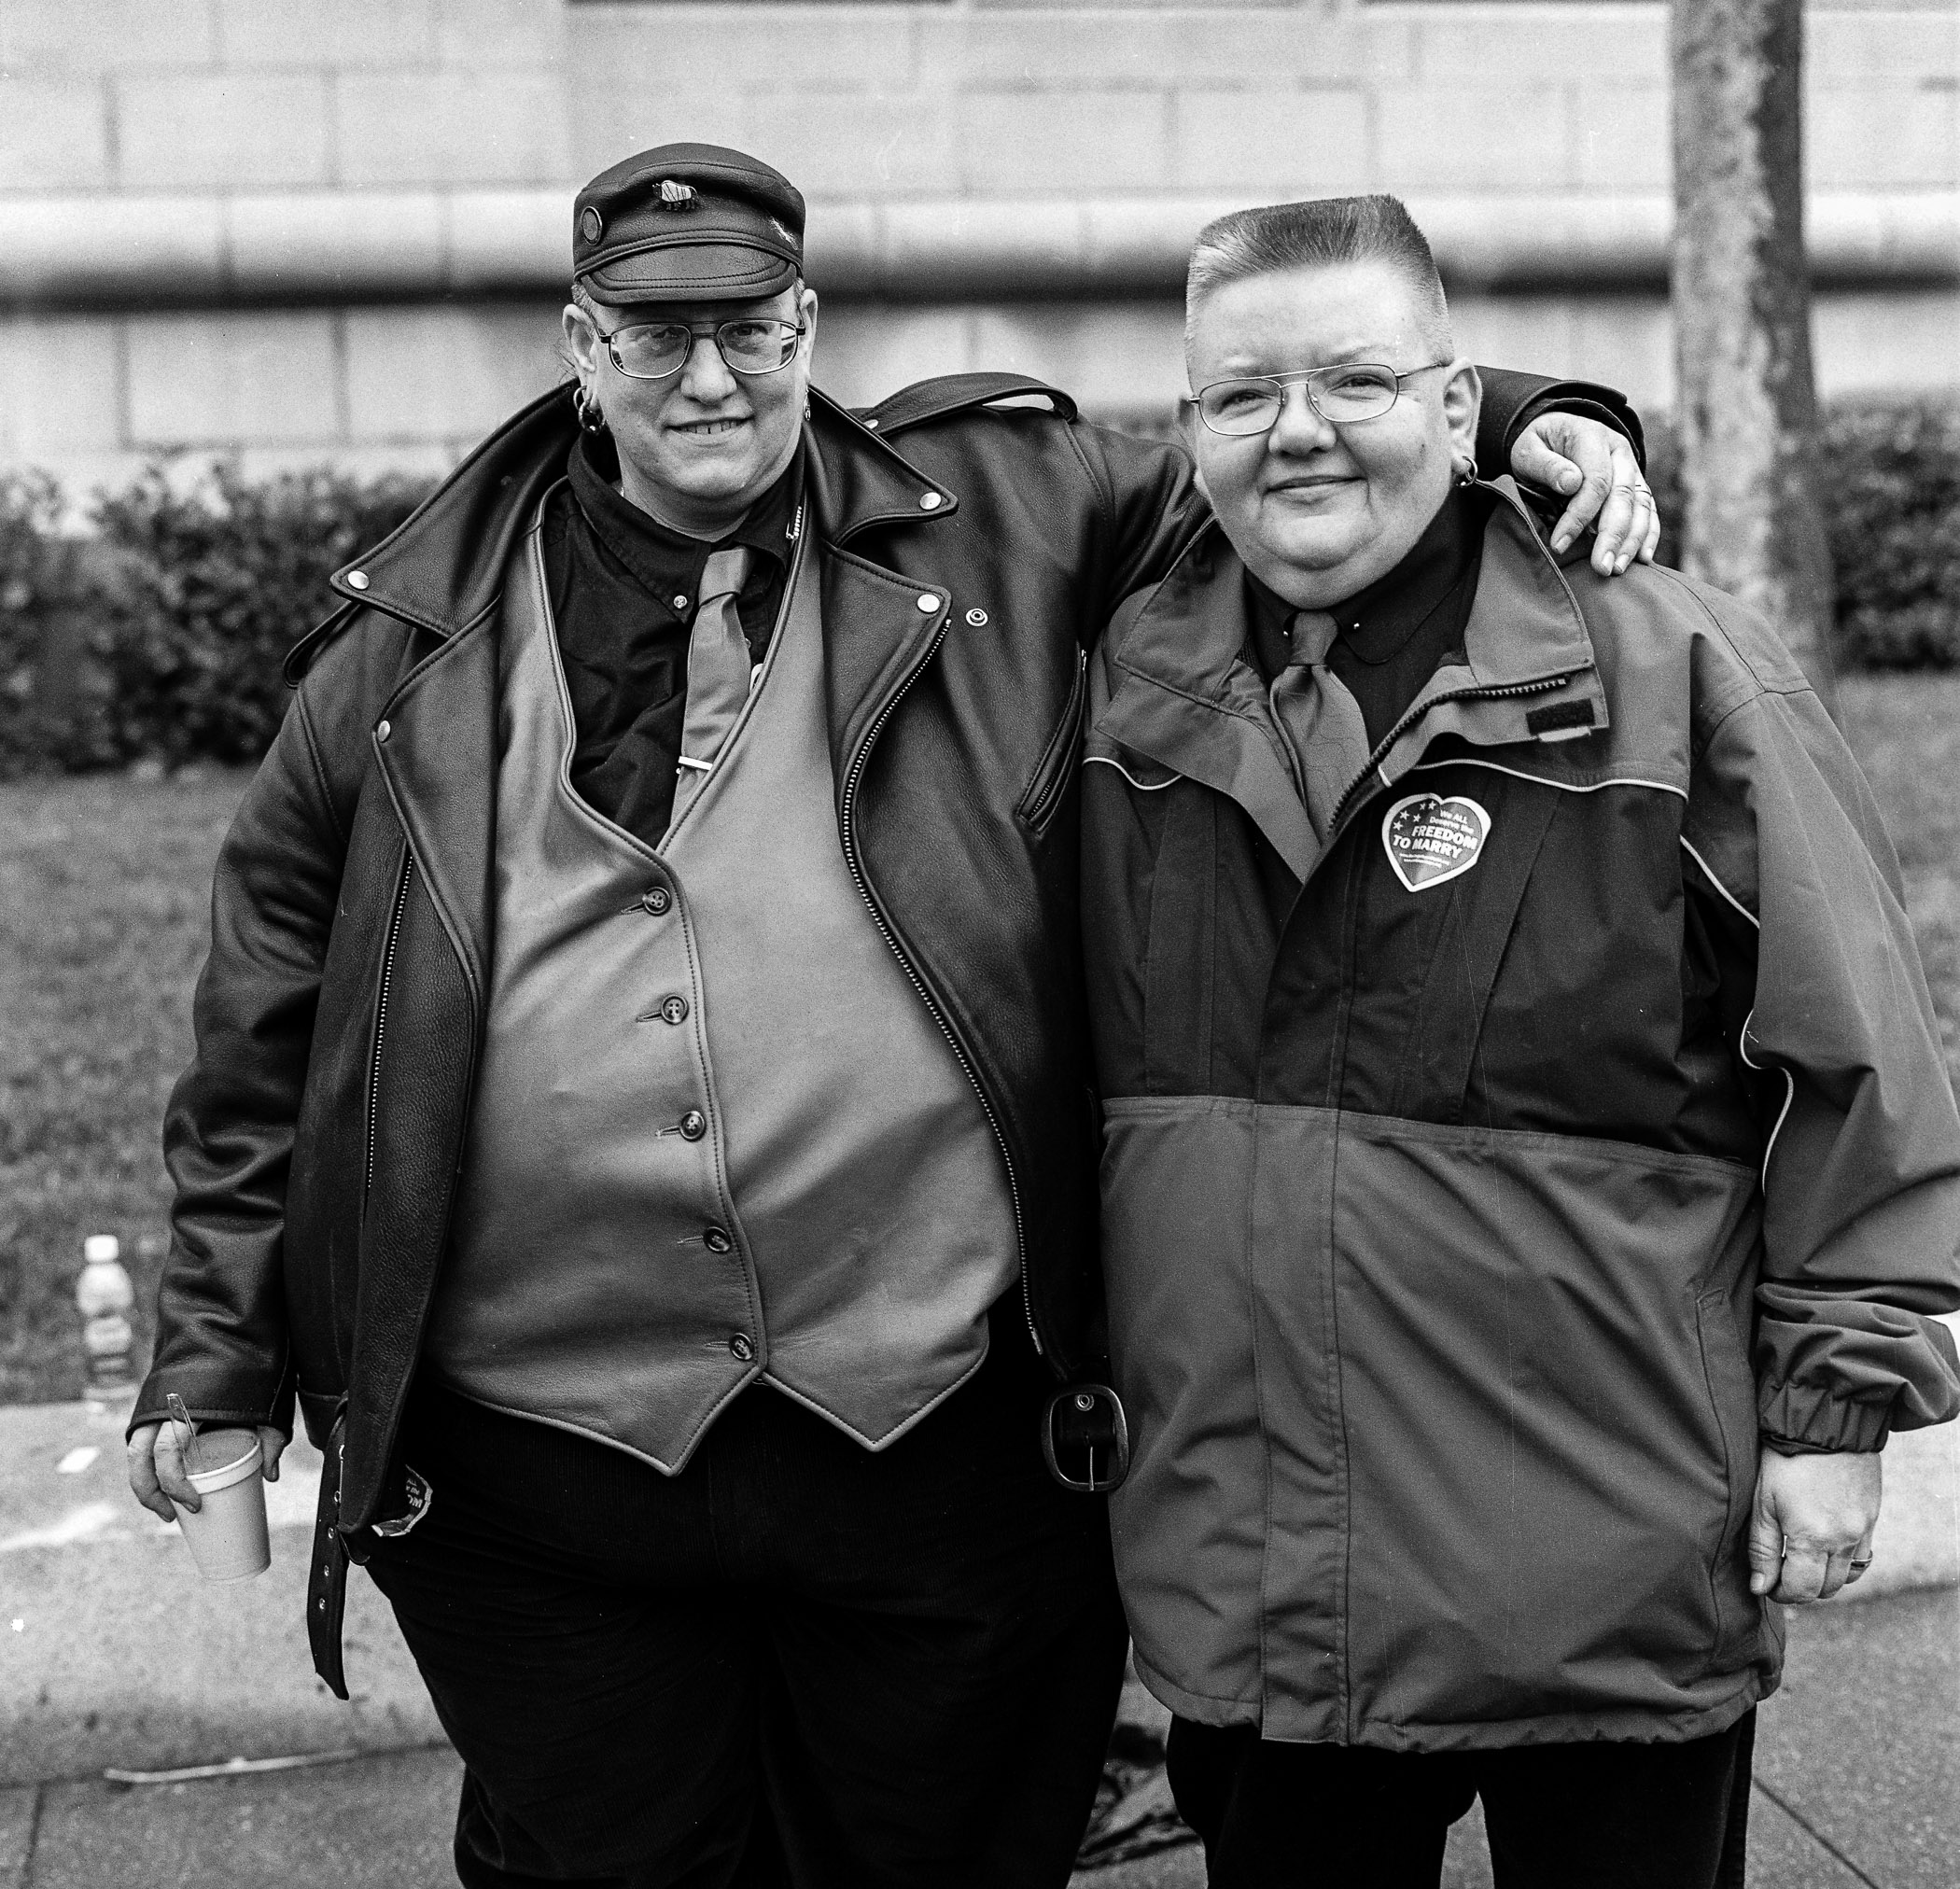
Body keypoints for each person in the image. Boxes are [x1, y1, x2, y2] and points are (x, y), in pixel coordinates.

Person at [124, 147, 1656, 1889]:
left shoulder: (1008, 507)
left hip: (941, 1440)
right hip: (537, 1474)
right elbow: (265, 1017)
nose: (711, 378)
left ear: (808, 326)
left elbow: (1277, 448)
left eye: (752, 331)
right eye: (655, 335)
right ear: (578, 342)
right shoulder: (406, 645)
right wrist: (217, 1345)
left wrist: (1519, 415)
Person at [1078, 192, 1960, 1889]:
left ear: (1460, 400)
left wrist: (1836, 1415)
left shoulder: (1678, 669)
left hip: (1608, 1562)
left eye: (1357, 381)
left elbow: (1853, 1063)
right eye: (1243, 395)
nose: (1301, 434)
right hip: (1260, 1579)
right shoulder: (1117, 691)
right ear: (1187, 429)